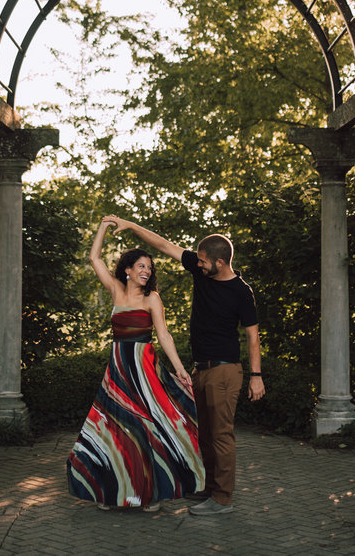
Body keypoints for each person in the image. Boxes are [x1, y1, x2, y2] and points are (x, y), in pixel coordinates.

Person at [102, 214, 265, 516]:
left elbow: (253, 337)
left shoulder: (241, 291)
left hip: (225, 369)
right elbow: (164, 245)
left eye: (203, 261)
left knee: (221, 434)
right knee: (203, 433)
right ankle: (209, 487)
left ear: (219, 262)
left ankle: (223, 498)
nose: (197, 264)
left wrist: (256, 376)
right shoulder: (202, 271)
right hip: (200, 369)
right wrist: (132, 226)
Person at [66, 220, 204, 512]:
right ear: (127, 270)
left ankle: (149, 494)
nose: (147, 271)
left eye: (149, 267)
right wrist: (104, 225)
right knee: (112, 428)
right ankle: (112, 493)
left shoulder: (152, 298)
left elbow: (163, 334)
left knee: (146, 428)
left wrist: (179, 368)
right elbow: (94, 258)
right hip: (117, 369)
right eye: (141, 266)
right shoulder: (116, 290)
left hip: (144, 370)